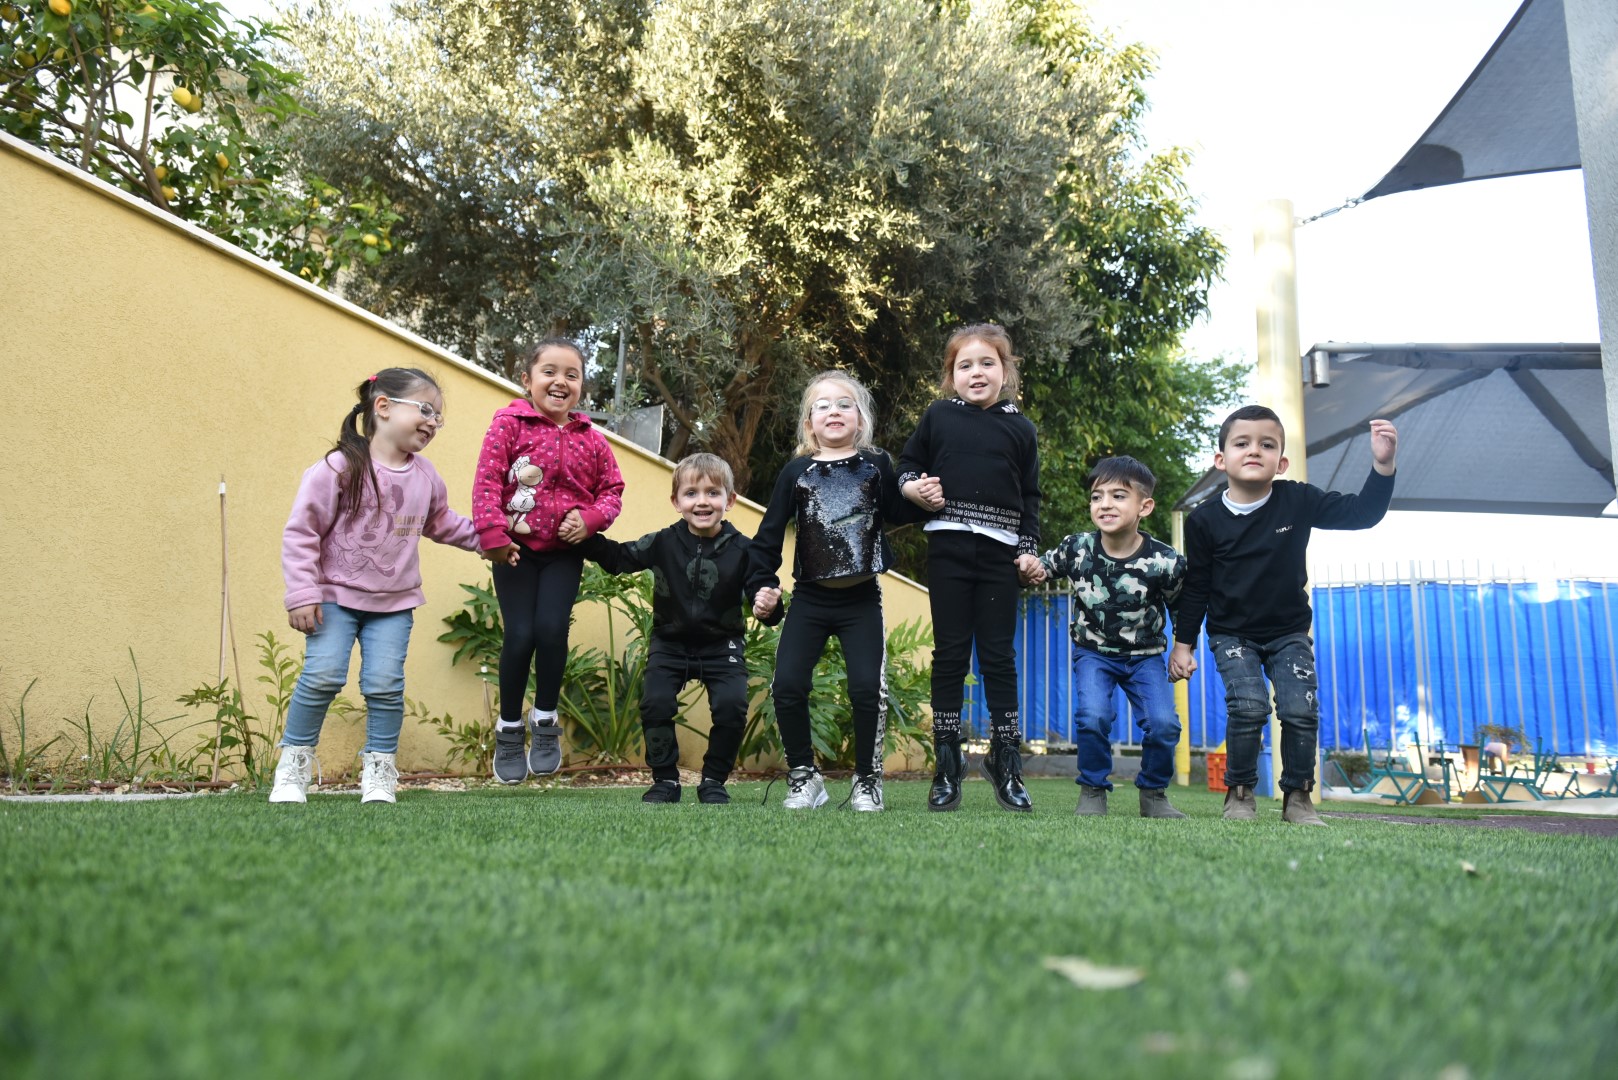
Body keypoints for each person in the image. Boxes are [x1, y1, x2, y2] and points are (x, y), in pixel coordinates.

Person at [274, 368, 511, 805]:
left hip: (394, 604)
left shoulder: (425, 477)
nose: (432, 422)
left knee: (384, 684)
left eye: (438, 417)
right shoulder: (339, 467)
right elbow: (302, 531)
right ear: (382, 406)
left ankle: (380, 769)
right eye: (425, 410)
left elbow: (443, 523)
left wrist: (491, 541)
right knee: (323, 675)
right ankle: (294, 764)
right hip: (333, 598)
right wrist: (302, 592)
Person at [1168, 406, 1398, 826]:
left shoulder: (1297, 500)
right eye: (1242, 443)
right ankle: (1239, 795)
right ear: (1221, 459)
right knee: (1249, 707)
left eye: (1267, 444)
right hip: (1232, 634)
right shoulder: (1204, 521)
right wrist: (1182, 646)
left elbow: (1363, 514)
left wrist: (1383, 465)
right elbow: (1196, 587)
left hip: (1288, 632)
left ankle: (1298, 798)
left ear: (1282, 461)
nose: (1254, 450)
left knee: (1300, 710)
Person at [748, 371, 912, 812]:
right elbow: (766, 539)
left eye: (844, 404)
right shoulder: (796, 472)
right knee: (787, 685)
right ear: (809, 424)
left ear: (860, 419)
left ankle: (867, 780)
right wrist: (763, 587)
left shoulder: (876, 464)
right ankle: (805, 777)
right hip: (809, 600)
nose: (834, 411)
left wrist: (923, 494)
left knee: (865, 688)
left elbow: (899, 510)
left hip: (862, 600)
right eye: (823, 406)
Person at [898, 324, 1042, 813]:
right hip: (949, 550)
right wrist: (913, 488)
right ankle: (947, 764)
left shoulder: (1021, 428)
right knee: (951, 654)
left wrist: (1028, 548)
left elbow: (1030, 499)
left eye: (988, 363)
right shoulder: (938, 416)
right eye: (965, 365)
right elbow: (906, 466)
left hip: (1001, 557)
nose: (976, 373)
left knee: (999, 656)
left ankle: (1006, 761)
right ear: (950, 375)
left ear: (1006, 371)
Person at [583, 453, 781, 804]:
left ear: (730, 500)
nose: (702, 501)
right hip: (669, 642)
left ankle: (714, 781)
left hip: (723, 645)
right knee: (656, 703)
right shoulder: (663, 542)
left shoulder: (744, 550)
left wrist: (769, 605)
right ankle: (666, 780)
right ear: (676, 502)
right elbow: (618, 558)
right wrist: (583, 534)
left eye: (712, 493)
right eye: (691, 493)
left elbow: (762, 595)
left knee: (732, 707)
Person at [473, 338, 625, 784]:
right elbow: (487, 480)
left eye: (571, 375)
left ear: (581, 387)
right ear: (528, 380)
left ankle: (544, 720)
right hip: (514, 551)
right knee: (520, 634)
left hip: (563, 554)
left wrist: (592, 518)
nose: (560, 381)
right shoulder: (508, 426)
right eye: (549, 372)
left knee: (552, 629)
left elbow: (612, 490)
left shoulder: (593, 441)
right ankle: (508, 728)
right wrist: (492, 535)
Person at [1028, 456, 1187, 818]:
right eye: (1097, 497)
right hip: (1094, 653)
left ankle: (1153, 793)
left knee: (1163, 724)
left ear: (1144, 506)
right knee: (1093, 715)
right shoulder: (1077, 548)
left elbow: (1183, 607)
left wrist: (1182, 648)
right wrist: (1029, 567)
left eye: (1118, 496)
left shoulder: (1164, 561)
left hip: (1146, 656)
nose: (1105, 505)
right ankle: (1093, 789)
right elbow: (1042, 567)